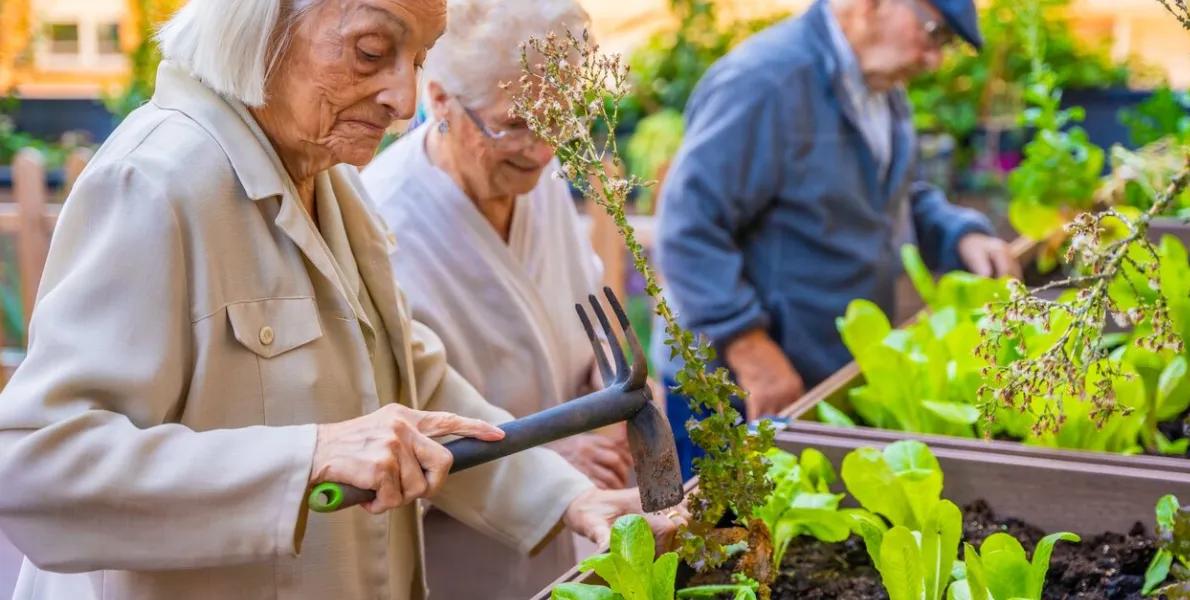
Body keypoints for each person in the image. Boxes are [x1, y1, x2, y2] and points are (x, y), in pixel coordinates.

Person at [0, 1, 681, 599]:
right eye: (373, 52)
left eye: (417, 59)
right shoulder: (154, 182)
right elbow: (36, 467)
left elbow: (421, 383)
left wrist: (571, 498)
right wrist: (310, 455)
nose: (406, 99)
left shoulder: (334, 184)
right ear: (266, 22)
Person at [651, 0, 1022, 479]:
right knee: (724, 546)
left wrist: (960, 235)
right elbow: (688, 226)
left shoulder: (880, 89)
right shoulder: (767, 81)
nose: (935, 60)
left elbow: (896, 193)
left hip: (818, 377)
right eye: (934, 32)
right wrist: (750, 350)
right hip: (737, 387)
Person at [359, 0, 634, 597]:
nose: (539, 150)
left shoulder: (538, 182)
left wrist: (616, 392)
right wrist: (555, 458)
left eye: (557, 120)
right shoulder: (378, 223)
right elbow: (395, 417)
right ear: (439, 101)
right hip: (466, 551)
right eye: (514, 124)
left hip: (583, 514)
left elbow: (584, 306)